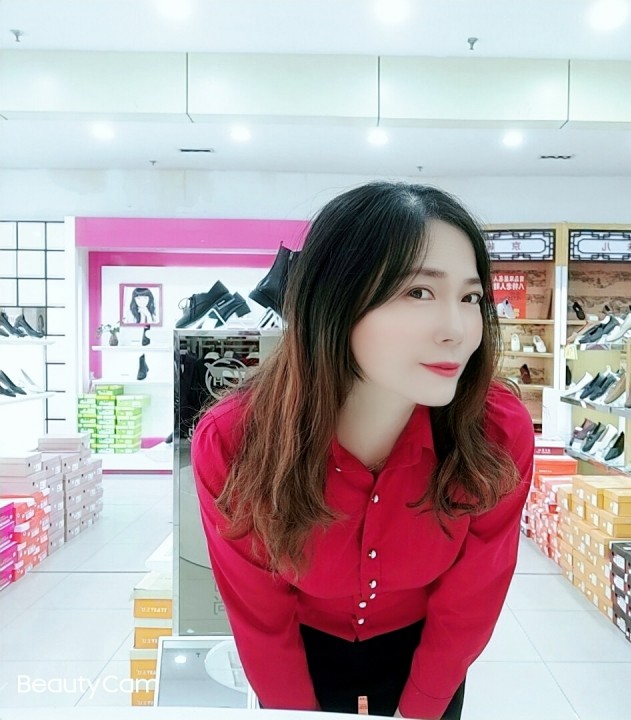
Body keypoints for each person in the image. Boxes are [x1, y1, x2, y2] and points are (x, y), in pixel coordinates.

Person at [191, 182, 534, 720]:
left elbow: (472, 594)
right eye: (419, 292)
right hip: (302, 654)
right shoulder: (235, 441)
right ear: (334, 298)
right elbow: (259, 613)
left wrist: (420, 708)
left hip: (426, 654)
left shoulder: (495, 433)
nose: (457, 330)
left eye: (470, 298)